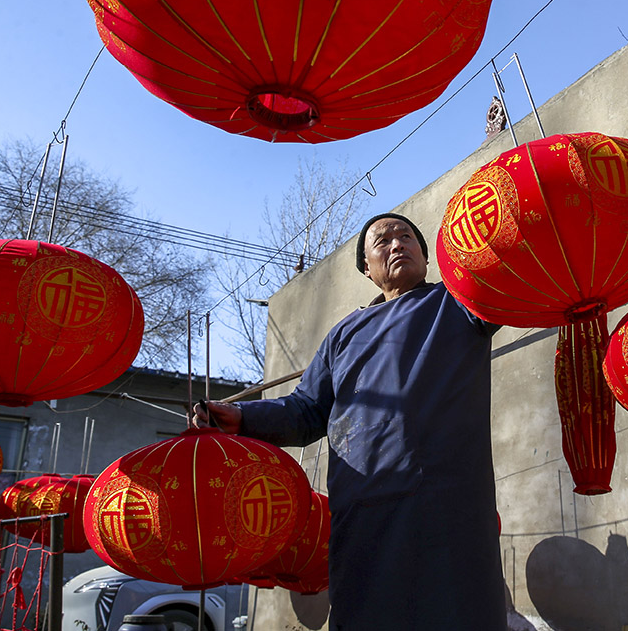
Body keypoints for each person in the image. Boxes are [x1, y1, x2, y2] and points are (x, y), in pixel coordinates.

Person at [193, 213, 507, 631]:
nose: (397, 245)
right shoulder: (343, 334)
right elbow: (306, 411)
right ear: (367, 268)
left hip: (446, 508)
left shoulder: (457, 304)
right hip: (362, 514)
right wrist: (244, 417)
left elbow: (511, 282)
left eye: (407, 238)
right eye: (383, 241)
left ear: (426, 258)